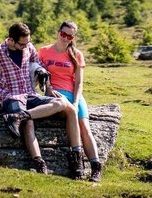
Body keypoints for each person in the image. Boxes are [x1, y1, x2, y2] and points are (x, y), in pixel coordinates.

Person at [0, 22, 86, 178]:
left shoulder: (28, 47)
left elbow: (40, 66)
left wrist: (48, 87)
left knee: (61, 104)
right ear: (11, 40)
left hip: (30, 94)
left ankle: (19, 116)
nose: (26, 46)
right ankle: (39, 162)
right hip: (11, 97)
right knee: (29, 123)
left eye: (28, 42)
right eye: (22, 43)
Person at [37, 21, 104, 182]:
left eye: (70, 36)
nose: (65, 38)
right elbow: (39, 74)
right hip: (55, 95)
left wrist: (76, 101)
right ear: (58, 32)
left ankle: (96, 168)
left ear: (73, 37)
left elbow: (79, 82)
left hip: (74, 95)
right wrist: (48, 87)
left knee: (85, 127)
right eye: (63, 34)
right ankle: (77, 163)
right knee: (70, 114)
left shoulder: (77, 54)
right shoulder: (43, 51)